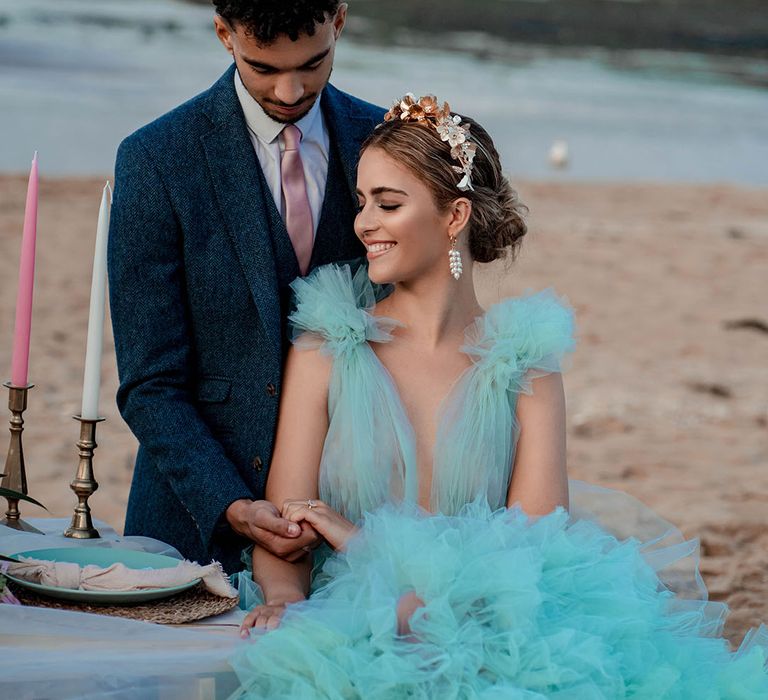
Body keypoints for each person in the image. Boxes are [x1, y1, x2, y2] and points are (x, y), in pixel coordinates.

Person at [230, 94, 768, 696]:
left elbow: (533, 550)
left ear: (454, 216)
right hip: (347, 620)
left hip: (489, 625)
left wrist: (363, 543)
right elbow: (284, 528)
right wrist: (283, 601)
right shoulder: (329, 345)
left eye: (388, 203)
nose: (363, 224)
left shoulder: (522, 361)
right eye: (361, 202)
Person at [107, 1, 384, 573]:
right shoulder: (156, 159)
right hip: (191, 526)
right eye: (263, 68)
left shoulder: (385, 141)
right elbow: (150, 383)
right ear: (223, 34)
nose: (289, 90)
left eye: (313, 64)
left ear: (339, 21)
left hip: (354, 521)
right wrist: (230, 505)